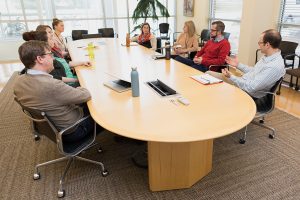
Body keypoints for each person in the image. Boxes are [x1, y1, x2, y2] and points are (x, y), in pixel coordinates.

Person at [14, 40, 101, 142]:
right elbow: (86, 95)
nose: (53, 58)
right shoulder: (52, 85)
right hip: (73, 130)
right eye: (50, 54)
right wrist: (83, 84)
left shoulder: (18, 82)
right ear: (40, 59)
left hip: (52, 127)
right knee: (102, 107)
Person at [206, 29, 285, 100]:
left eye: (260, 43)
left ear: (267, 45)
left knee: (209, 76)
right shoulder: (267, 56)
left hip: (248, 94)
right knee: (208, 75)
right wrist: (238, 65)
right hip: (242, 82)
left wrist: (231, 77)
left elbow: (251, 88)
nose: (258, 45)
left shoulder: (274, 66)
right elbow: (254, 71)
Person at [22, 31, 91, 87]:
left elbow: (66, 63)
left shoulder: (50, 55)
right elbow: (55, 78)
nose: (54, 41)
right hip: (68, 85)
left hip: (70, 81)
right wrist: (76, 80)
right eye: (51, 38)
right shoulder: (47, 61)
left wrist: (82, 62)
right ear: (44, 42)